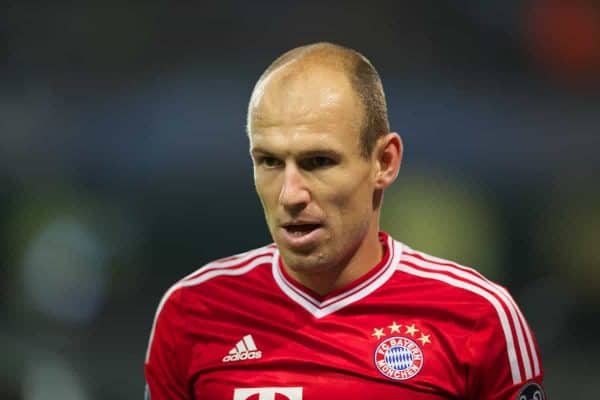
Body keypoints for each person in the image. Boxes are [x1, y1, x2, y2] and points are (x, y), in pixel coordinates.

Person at [144, 42, 545, 400]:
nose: (290, 194)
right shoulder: (193, 311)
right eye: (268, 161)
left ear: (384, 162)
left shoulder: (477, 316)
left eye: (318, 162)